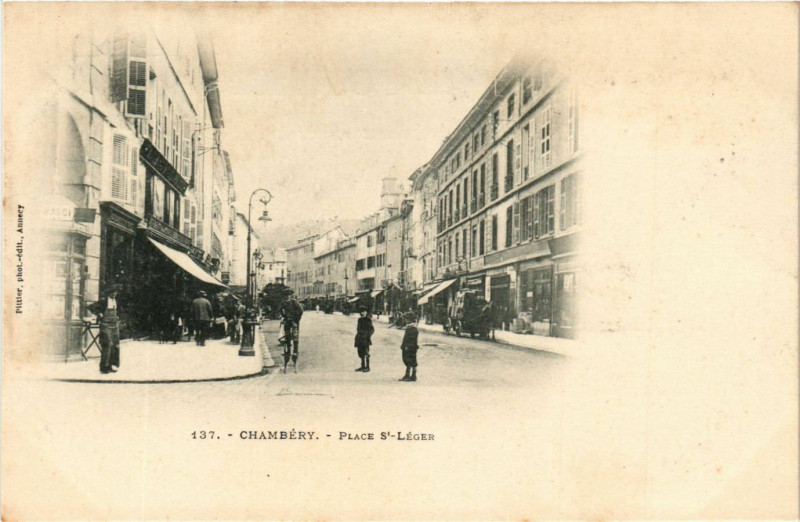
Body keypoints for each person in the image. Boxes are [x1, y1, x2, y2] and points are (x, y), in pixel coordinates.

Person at [88, 283, 123, 374]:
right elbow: (91, 307)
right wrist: (99, 314)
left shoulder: (115, 301)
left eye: (116, 292)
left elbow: (117, 311)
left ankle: (110, 365)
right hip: (106, 325)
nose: (114, 294)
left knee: (115, 345)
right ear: (109, 292)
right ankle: (104, 367)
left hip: (114, 325)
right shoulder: (104, 301)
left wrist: (117, 317)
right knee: (108, 344)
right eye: (113, 292)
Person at [280, 289, 304, 372]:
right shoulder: (283, 303)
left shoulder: (294, 302)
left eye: (288, 295)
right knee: (287, 338)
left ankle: (295, 353)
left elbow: (301, 311)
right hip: (287, 322)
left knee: (295, 338)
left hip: (294, 322)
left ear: (291, 295)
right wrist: (284, 317)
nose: (287, 296)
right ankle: (287, 352)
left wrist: (296, 320)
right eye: (286, 295)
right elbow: (281, 311)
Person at [399, 312, 420, 382]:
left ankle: (409, 375)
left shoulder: (413, 329)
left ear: (410, 320)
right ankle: (412, 375)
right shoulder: (410, 327)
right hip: (409, 347)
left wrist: (407, 346)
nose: (405, 320)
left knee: (410, 361)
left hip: (410, 348)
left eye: (406, 319)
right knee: (410, 360)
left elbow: (412, 340)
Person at [354, 307, 375, 372]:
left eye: (364, 312)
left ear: (366, 312)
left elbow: (372, 330)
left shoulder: (368, 320)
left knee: (366, 352)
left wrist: (368, 336)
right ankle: (363, 366)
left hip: (365, 339)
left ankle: (367, 367)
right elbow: (358, 329)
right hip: (359, 338)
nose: (363, 313)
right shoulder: (359, 320)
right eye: (361, 312)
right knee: (360, 353)